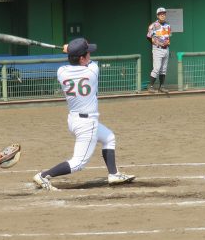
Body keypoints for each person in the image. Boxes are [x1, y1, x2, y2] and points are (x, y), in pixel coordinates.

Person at [33, 38, 135, 191]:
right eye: (87, 53)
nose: (89, 55)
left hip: (74, 120)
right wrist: (70, 50)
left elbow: (75, 62)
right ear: (81, 58)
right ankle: (44, 175)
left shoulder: (61, 72)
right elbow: (87, 62)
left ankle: (114, 174)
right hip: (87, 124)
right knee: (78, 163)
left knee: (109, 137)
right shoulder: (92, 70)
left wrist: (70, 51)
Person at [146, 7, 172, 93]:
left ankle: (161, 87)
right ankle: (150, 86)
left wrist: (167, 45)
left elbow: (168, 36)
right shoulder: (153, 25)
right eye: (161, 14)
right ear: (157, 15)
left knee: (163, 69)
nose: (163, 15)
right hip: (157, 49)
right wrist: (155, 43)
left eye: (164, 14)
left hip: (166, 49)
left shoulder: (168, 25)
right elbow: (148, 37)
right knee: (156, 68)